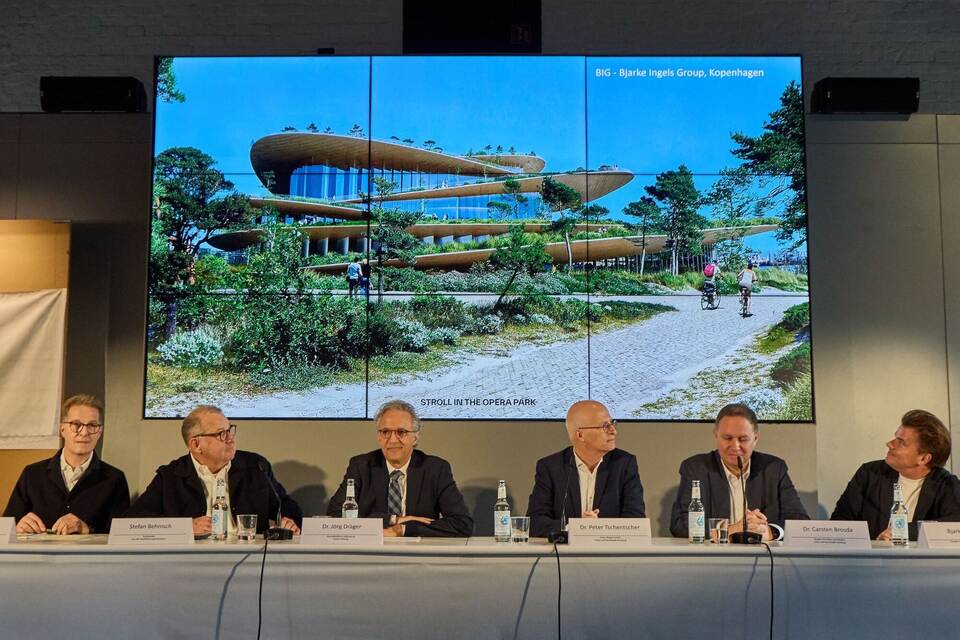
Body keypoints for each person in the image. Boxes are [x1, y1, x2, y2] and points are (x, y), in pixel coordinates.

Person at [128, 405, 302, 536]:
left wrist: (289, 522)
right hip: (192, 559)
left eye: (230, 430)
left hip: (249, 556)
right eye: (221, 434)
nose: (231, 439)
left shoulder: (256, 466)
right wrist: (185, 527)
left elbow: (285, 505)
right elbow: (134, 520)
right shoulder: (171, 476)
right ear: (196, 444)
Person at [327, 400, 473, 537]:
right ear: (378, 436)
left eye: (401, 432)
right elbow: (335, 514)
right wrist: (393, 520)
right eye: (385, 432)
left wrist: (403, 529)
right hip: (370, 553)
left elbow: (462, 523)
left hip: (418, 555)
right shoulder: (361, 466)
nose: (392, 440)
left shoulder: (435, 469)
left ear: (415, 438)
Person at [670, 403, 809, 540]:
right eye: (727, 438)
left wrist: (770, 531)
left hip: (763, 557)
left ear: (755, 439)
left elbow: (799, 520)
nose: (735, 446)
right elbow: (680, 525)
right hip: (712, 557)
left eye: (743, 439)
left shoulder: (774, 468)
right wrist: (732, 529)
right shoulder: (695, 468)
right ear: (716, 435)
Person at [4, 394, 130, 534]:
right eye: (76, 424)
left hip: (89, 556)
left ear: (99, 432)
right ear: (62, 429)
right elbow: (6, 526)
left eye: (92, 425)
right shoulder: (32, 474)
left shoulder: (114, 479)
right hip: (40, 555)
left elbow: (122, 534)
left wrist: (87, 528)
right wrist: (17, 527)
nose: (84, 432)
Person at [831, 409, 960, 540]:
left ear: (923, 459)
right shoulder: (870, 474)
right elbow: (839, 522)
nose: (890, 444)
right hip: (871, 559)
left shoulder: (946, 484)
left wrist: (903, 531)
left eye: (901, 442)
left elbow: (954, 525)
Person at [527, 400, 645, 538]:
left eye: (612, 424)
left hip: (610, 552)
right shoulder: (551, 467)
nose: (613, 431)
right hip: (565, 555)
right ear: (580, 435)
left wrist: (597, 527)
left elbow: (635, 520)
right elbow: (535, 522)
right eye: (605, 426)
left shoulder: (624, 464)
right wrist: (576, 527)